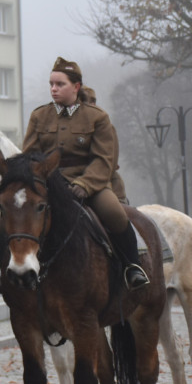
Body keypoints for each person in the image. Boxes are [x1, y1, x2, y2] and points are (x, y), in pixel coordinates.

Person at [22, 57, 148, 289]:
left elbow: (103, 160)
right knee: (12, 216)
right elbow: (29, 155)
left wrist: (85, 184)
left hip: (90, 182)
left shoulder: (97, 117)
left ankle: (132, 266)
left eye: (60, 84)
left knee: (114, 213)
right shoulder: (39, 116)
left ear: (76, 87)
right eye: (51, 83)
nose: (53, 88)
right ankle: (7, 271)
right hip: (48, 183)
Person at [84, 86, 129, 204]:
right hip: (73, 182)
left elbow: (110, 162)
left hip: (106, 184)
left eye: (92, 101)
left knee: (115, 216)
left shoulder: (105, 126)